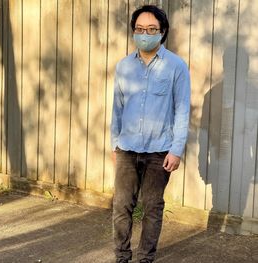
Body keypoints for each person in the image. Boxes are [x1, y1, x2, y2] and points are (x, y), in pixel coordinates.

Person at [110, 5, 191, 263]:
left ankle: (146, 258)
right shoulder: (123, 66)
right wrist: (115, 144)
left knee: (152, 209)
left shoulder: (176, 66)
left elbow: (182, 110)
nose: (145, 34)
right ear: (134, 32)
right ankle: (121, 257)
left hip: (160, 151)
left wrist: (176, 150)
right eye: (140, 29)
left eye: (152, 29)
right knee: (122, 207)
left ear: (162, 31)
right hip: (127, 148)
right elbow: (117, 109)